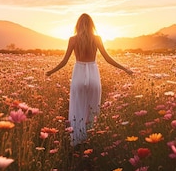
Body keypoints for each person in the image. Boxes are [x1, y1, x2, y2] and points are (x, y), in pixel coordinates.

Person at [46, 13, 133, 146]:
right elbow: (108, 58)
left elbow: (64, 62)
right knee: (92, 108)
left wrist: (50, 72)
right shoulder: (97, 39)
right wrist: (125, 68)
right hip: (93, 75)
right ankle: (91, 140)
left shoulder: (73, 39)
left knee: (77, 107)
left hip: (78, 75)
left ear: (78, 25)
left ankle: (77, 141)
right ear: (92, 25)